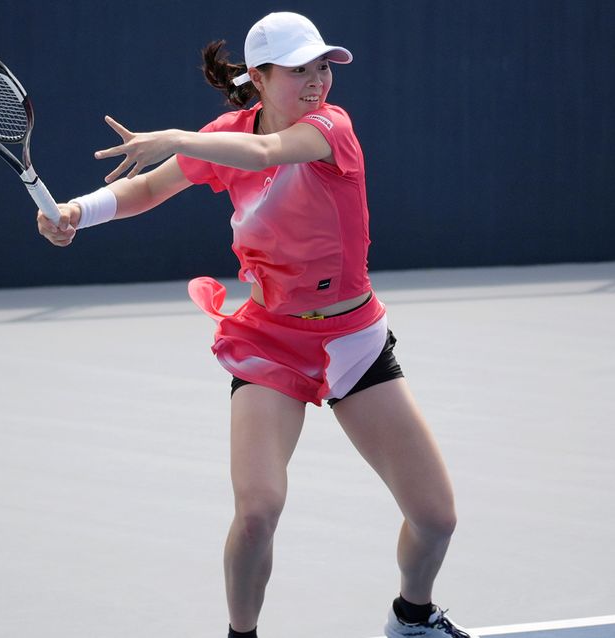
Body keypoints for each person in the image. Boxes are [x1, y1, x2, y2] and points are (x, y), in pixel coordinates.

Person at [37, 12, 477, 638]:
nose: (317, 81)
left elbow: (269, 151)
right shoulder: (226, 136)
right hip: (271, 342)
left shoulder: (330, 128)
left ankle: (413, 617)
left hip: (353, 341)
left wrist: (180, 137)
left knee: (436, 519)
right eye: (299, 70)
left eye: (322, 67)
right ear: (259, 78)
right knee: (257, 512)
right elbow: (147, 190)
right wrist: (76, 212)